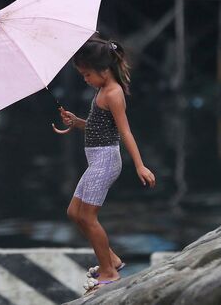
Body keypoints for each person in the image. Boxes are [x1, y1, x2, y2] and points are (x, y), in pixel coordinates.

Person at [59, 35, 156, 294]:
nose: (85, 80)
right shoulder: (102, 90)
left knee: (88, 217)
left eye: (87, 74)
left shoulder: (113, 94)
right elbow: (98, 127)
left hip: (105, 161)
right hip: (97, 159)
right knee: (73, 213)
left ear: (104, 70)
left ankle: (109, 271)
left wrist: (139, 165)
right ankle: (111, 258)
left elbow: (125, 132)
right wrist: (76, 121)